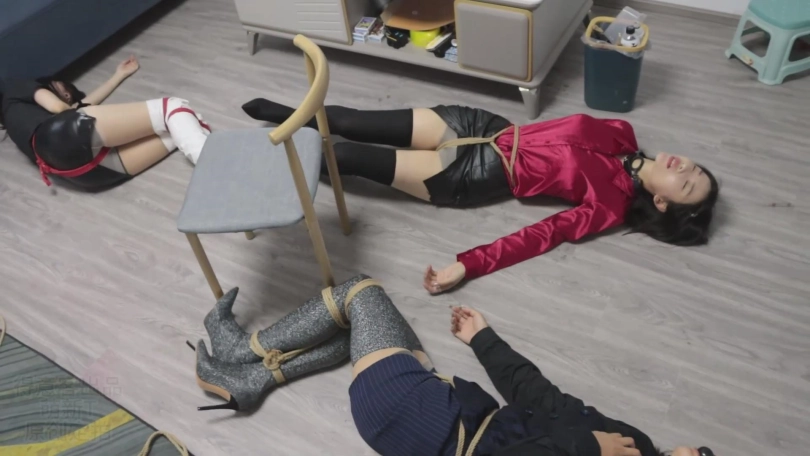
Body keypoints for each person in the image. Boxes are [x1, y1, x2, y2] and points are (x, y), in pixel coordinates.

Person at [193, 274, 714, 456]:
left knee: (360, 293)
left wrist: (589, 447)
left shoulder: (613, 449)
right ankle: (253, 379)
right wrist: (483, 339)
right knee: (360, 334)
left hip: (419, 419)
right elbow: (546, 402)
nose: (698, 452)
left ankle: (241, 348)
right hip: (439, 414)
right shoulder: (636, 444)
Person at [240, 100, 720, 295]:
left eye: (686, 184)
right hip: (485, 127)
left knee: (347, 156)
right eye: (694, 169)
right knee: (351, 120)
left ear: (662, 204)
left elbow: (544, 234)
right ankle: (282, 118)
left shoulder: (611, 207)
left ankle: (258, 165)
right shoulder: (622, 131)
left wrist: (468, 264)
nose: (684, 168)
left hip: (472, 174)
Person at [0, 55, 210, 189]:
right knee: (173, 107)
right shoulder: (13, 87)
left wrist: (118, 75)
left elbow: (79, 109)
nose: (68, 94)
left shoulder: (15, 116)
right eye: (65, 89)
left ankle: (214, 168)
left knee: (185, 124)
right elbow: (60, 108)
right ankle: (216, 168)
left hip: (83, 177)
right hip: (60, 136)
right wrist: (69, 107)